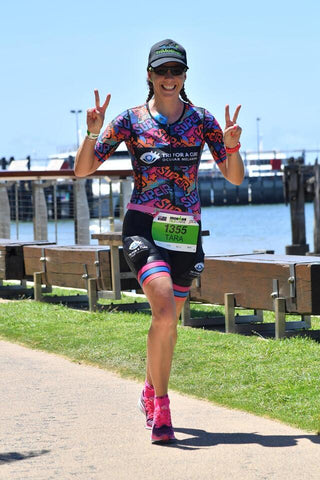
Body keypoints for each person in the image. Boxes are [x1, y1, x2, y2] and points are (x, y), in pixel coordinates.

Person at [74, 39, 244, 444]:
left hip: (186, 234)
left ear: (185, 77)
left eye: (176, 71)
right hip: (143, 227)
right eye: (162, 71)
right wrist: (91, 132)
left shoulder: (202, 120)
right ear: (149, 76)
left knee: (168, 322)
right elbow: (83, 170)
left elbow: (234, 176)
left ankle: (149, 389)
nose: (169, 79)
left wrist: (233, 144)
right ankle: (163, 408)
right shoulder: (130, 121)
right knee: (165, 309)